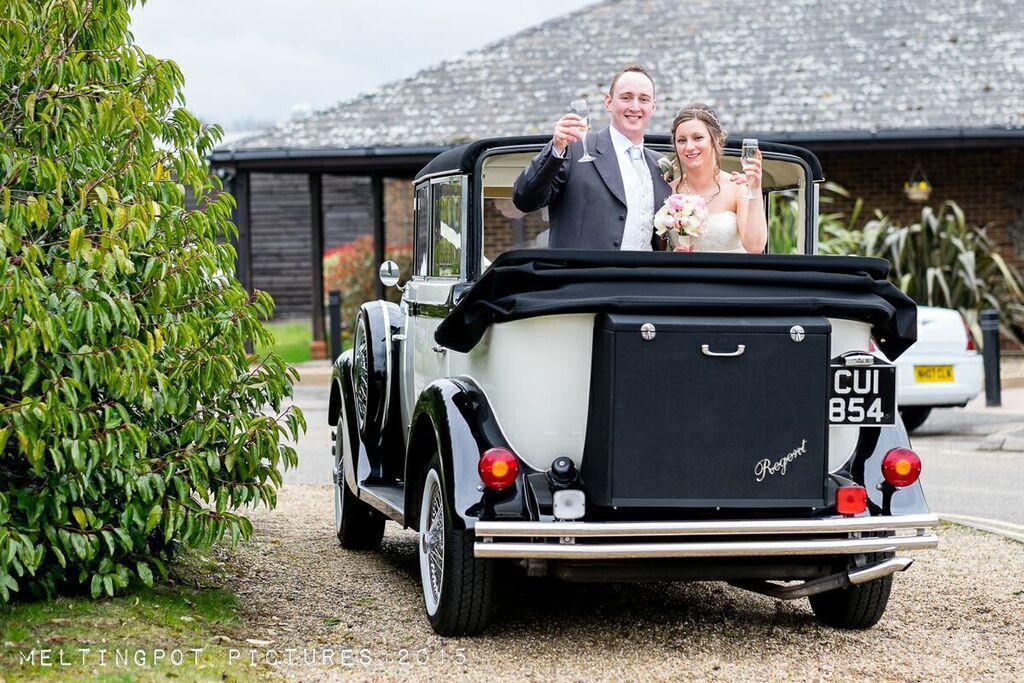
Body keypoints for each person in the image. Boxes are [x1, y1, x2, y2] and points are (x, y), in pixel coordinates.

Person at [513, 65, 672, 250]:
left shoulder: (662, 166)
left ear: (653, 107)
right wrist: (555, 148)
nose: (635, 106)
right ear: (608, 102)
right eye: (626, 97)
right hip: (585, 277)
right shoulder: (575, 149)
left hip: (645, 277)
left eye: (643, 99)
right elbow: (524, 199)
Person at [666, 104, 767, 253]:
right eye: (681, 140)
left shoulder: (737, 187)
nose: (689, 147)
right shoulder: (667, 190)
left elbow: (755, 247)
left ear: (717, 139)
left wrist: (755, 189)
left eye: (698, 138)